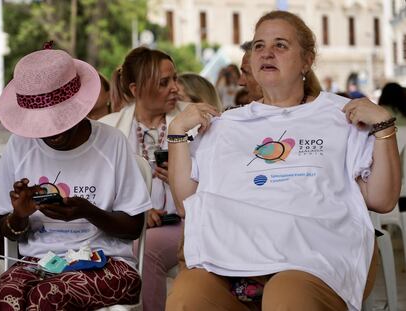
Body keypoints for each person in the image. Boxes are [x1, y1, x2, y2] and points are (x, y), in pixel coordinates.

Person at [166, 10, 400, 311]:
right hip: (232, 262)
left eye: (280, 45)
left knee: (285, 294)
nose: (266, 53)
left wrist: (384, 127)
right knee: (188, 295)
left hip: (317, 258)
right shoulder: (226, 124)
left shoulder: (341, 116)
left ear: (306, 60)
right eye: (259, 46)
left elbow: (382, 199)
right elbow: (187, 203)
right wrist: (176, 134)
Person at [0, 47, 151, 310]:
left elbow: (134, 227)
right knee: (5, 295)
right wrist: (19, 215)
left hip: (107, 263)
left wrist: (86, 211)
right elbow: (6, 232)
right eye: (40, 124)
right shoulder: (20, 146)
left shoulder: (111, 144)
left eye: (59, 120)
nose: (52, 132)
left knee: (47, 297)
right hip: (38, 262)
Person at [99, 46, 187, 311]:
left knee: (145, 250)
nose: (175, 88)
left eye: (175, 79)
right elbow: (99, 187)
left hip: (183, 223)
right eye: (164, 82)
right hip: (125, 226)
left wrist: (178, 178)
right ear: (136, 90)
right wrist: (137, 210)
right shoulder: (108, 128)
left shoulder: (191, 121)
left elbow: (214, 187)